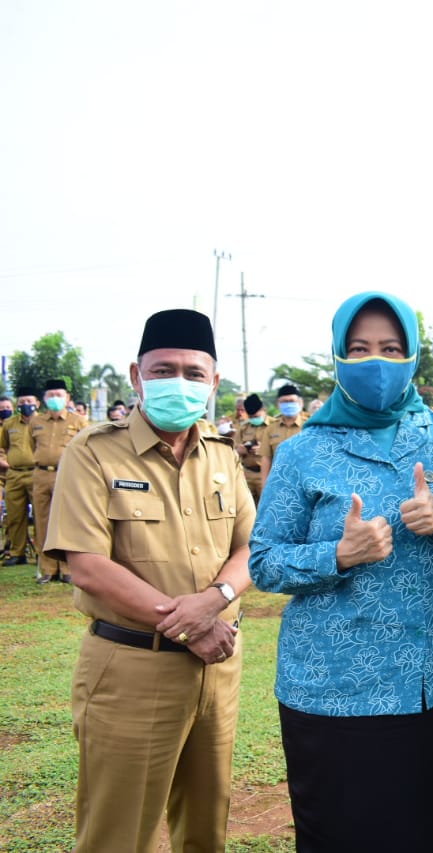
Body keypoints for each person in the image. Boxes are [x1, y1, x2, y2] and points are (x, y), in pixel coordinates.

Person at [250, 292, 433, 852]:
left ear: (413, 356)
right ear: (338, 356)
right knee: (337, 833)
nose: (377, 361)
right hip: (331, 687)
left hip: (429, 682)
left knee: (420, 831)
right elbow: (263, 560)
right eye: (361, 348)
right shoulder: (303, 451)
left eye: (392, 348)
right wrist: (337, 555)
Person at [43, 308, 252, 852]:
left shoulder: (223, 457)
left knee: (207, 827)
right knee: (118, 832)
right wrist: (191, 625)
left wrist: (216, 600)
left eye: (192, 372)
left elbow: (250, 548)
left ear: (213, 382)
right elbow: (88, 566)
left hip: (216, 669)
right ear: (136, 376)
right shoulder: (92, 452)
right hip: (132, 669)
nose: (177, 383)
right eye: (162, 371)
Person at [30, 378, 88, 582]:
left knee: (65, 521)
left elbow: (86, 448)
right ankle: (48, 569)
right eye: (51, 395)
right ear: (44, 399)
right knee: (42, 520)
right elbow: (32, 447)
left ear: (67, 398)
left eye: (59, 395)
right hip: (40, 475)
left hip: (67, 474)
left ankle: (67, 569)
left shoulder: (78, 421)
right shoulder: (36, 422)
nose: (55, 399)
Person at [1, 388, 39, 565]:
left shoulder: (44, 423)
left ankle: (43, 553)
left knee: (41, 515)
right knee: (15, 516)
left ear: (37, 403)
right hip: (14, 475)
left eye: (29, 402)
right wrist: (6, 462)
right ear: (17, 404)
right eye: (22, 402)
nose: (26, 405)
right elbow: (2, 448)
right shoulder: (9, 424)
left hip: (37, 473)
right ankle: (17, 552)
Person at [259, 383, 308, 483]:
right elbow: (266, 459)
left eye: (291, 401)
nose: (288, 404)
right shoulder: (270, 429)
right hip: (278, 481)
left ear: (300, 403)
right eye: (284, 401)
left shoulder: (310, 426)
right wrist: (265, 486)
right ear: (278, 404)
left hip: (305, 480)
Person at [234, 394, 272, 502]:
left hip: (267, 474)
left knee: (267, 506)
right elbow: (232, 449)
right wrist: (239, 451)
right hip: (247, 474)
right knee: (245, 506)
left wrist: (264, 449)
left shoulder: (275, 426)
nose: (253, 419)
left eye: (256, 416)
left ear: (263, 410)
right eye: (250, 417)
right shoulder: (244, 428)